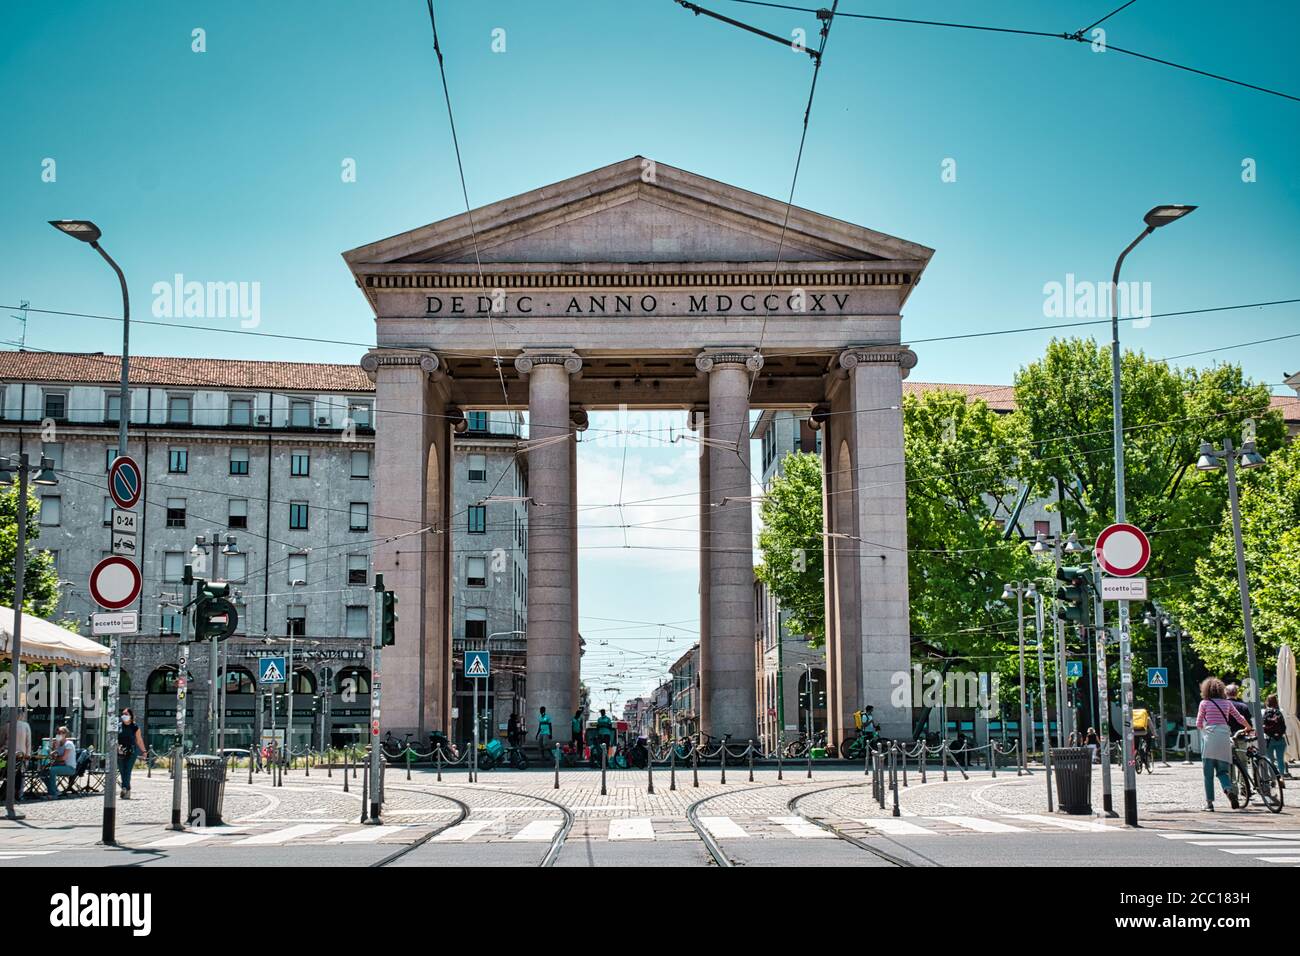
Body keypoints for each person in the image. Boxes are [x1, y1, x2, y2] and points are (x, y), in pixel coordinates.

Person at [1196, 677, 1249, 811]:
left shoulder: (1204, 703)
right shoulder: (1227, 704)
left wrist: (1206, 728)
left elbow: (1198, 723)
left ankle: (1209, 804)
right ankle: (1228, 789)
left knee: (1208, 775)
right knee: (1223, 772)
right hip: (1224, 739)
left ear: (1205, 690)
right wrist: (1248, 727)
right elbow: (1239, 718)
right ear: (1221, 690)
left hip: (1209, 741)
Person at [0, 708, 33, 802]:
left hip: (7, 754)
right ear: (21, 715)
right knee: (18, 773)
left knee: (6, 772)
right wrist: (28, 754)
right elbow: (28, 742)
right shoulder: (25, 725)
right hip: (21, 755)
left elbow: (3, 740)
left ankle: (8, 792)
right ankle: (17, 793)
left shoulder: (7, 725)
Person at [117, 708, 146, 799]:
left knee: (127, 770)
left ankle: (124, 788)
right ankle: (127, 790)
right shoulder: (118, 726)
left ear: (131, 716)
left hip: (131, 751)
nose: (124, 716)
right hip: (120, 751)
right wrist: (117, 747)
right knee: (122, 771)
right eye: (123, 714)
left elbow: (139, 740)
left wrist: (144, 751)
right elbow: (114, 739)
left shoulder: (135, 727)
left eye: (126, 714)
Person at [1262, 694, 1289, 778]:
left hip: (1268, 738)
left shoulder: (1263, 711)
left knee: (1270, 760)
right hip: (1280, 738)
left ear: (1267, 701)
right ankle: (1281, 777)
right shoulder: (1281, 710)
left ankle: (1273, 778)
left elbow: (1262, 725)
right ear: (1276, 701)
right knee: (1280, 759)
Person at [46, 726, 77, 799]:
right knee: (43, 771)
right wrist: (55, 748)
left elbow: (63, 758)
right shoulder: (59, 744)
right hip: (61, 765)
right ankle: (55, 790)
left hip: (70, 767)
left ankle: (53, 794)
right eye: (57, 733)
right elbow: (53, 756)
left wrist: (55, 759)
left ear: (65, 734)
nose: (59, 734)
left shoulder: (68, 744)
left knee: (52, 770)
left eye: (61, 733)